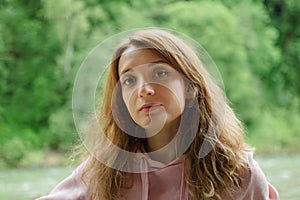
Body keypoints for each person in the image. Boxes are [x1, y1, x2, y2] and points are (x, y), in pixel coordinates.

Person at [36, 28, 279, 200]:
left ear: (190, 87)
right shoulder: (103, 171)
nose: (144, 90)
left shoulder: (239, 173)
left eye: (160, 74)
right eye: (129, 80)